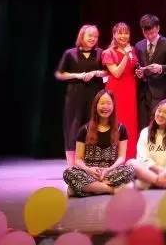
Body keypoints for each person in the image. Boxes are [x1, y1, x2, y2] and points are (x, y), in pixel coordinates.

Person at [63, 90, 135, 197]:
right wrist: (88, 170)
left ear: (113, 106)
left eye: (108, 103)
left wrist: (108, 170)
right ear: (96, 106)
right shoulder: (84, 129)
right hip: (89, 172)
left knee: (130, 169)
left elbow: (121, 157)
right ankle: (111, 190)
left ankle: (87, 189)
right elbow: (78, 159)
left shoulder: (121, 129)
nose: (105, 106)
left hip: (110, 172)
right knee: (68, 172)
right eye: (102, 103)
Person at [55, 24, 107, 166]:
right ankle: (72, 166)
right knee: (73, 128)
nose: (93, 38)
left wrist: (96, 73)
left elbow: (107, 72)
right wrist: (77, 75)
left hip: (95, 95)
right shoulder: (70, 53)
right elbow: (60, 74)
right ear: (82, 36)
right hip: (75, 96)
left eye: (95, 36)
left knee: (93, 127)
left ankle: (91, 163)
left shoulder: (100, 53)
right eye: (90, 35)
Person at [128, 100, 166, 189]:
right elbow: (143, 157)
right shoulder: (145, 132)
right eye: (159, 110)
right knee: (131, 163)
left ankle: (152, 183)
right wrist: (158, 170)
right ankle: (165, 183)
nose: (160, 115)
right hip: (150, 172)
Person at [102, 22, 139, 159]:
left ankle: (130, 156)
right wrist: (126, 55)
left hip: (130, 88)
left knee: (130, 121)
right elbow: (116, 73)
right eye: (120, 33)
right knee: (116, 120)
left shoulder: (132, 50)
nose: (123, 36)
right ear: (114, 35)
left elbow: (132, 68)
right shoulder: (108, 52)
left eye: (126, 33)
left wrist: (139, 72)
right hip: (116, 90)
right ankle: (114, 156)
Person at [134, 14, 166, 127]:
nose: (149, 36)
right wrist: (139, 73)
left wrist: (161, 68)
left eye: (152, 33)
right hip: (143, 93)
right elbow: (137, 66)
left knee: (158, 124)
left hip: (161, 92)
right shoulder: (139, 45)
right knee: (143, 125)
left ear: (158, 28)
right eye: (146, 33)